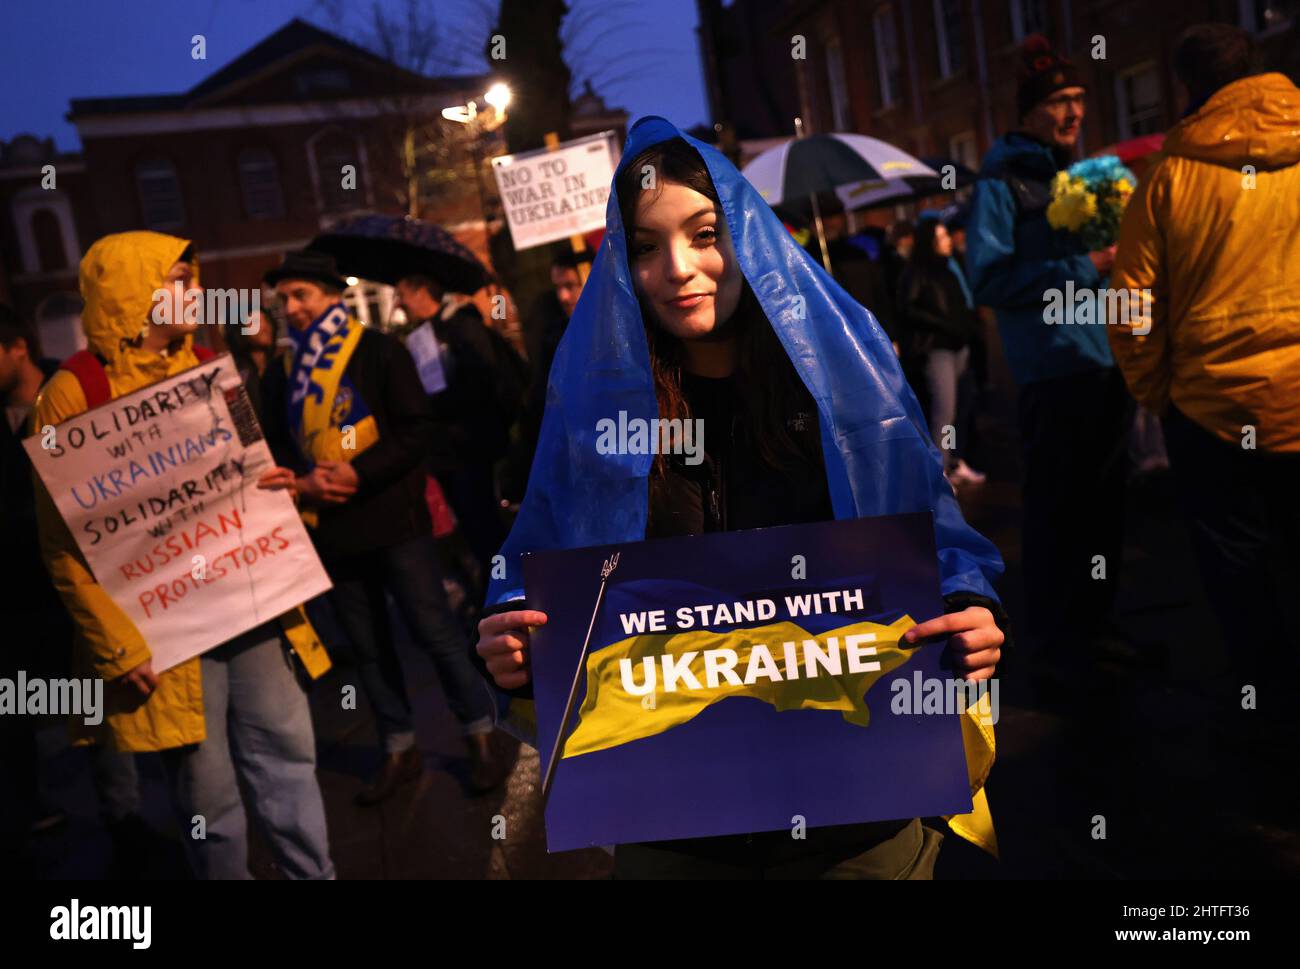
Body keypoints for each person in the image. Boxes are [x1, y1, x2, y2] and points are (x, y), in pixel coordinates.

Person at [475, 118, 1008, 879]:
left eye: (703, 233)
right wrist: (512, 646)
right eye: (646, 245)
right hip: (677, 824)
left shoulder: (846, 391)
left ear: (749, 237)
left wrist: (976, 612)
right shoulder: (595, 417)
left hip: (856, 817)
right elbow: (534, 565)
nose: (679, 267)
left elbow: (941, 540)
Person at [32, 232, 335, 879]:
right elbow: (62, 548)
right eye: (177, 280)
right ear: (133, 294)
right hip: (164, 635)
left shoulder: (209, 363)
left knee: (289, 756)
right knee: (209, 797)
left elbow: (250, 467)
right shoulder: (70, 394)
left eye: (192, 279)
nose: (196, 292)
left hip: (250, 605)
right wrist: (119, 647)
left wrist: (279, 490)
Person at [261, 250, 502, 804]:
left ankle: (480, 736)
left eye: (302, 295)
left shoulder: (378, 351)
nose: (291, 308)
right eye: (284, 300)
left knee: (435, 633)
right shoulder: (283, 372)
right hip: (333, 529)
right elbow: (274, 444)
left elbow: (416, 431)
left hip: (397, 522)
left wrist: (356, 472)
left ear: (332, 296)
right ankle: (400, 747)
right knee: (368, 648)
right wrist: (304, 482)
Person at [1108, 24, 1300, 693]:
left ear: (1188, 87)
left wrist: (1158, 391)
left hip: (1211, 410)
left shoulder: (1166, 179)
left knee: (1237, 570)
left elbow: (1130, 305)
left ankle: (1266, 705)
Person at [965, 34, 1136, 691]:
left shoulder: (1089, 176)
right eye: (1059, 101)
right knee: (1057, 515)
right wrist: (1083, 265)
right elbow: (987, 279)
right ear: (1028, 112)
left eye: (1079, 99)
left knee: (1103, 511)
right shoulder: (1001, 181)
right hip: (1050, 375)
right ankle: (1056, 643)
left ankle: (1097, 625)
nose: (1072, 112)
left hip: (1105, 367)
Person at [392, 274, 518, 580]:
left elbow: (484, 385)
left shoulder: (461, 328)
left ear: (423, 291)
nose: (399, 303)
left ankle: (510, 590)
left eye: (402, 294)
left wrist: (440, 401)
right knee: (474, 530)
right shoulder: (419, 337)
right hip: (447, 452)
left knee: (486, 527)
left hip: (471, 449)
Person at [898, 217, 986, 486]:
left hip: (960, 347)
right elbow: (908, 308)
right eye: (942, 237)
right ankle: (940, 472)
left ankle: (955, 461)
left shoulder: (949, 268)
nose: (948, 240)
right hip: (939, 349)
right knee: (944, 412)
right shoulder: (917, 272)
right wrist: (942, 324)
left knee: (961, 409)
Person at [502, 248, 590, 503]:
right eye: (558, 287)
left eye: (571, 285)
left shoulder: (624, 328)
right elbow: (541, 400)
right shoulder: (555, 337)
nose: (563, 296)